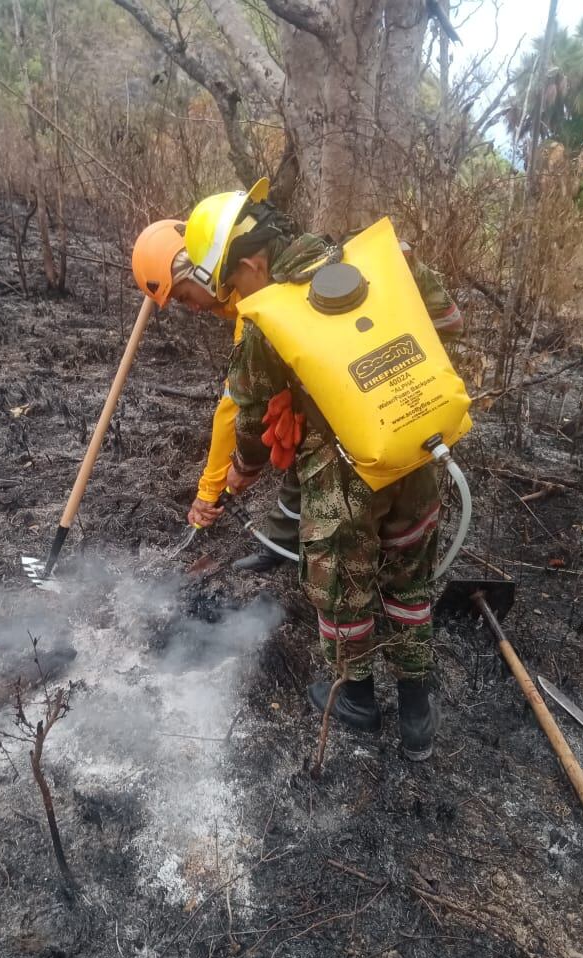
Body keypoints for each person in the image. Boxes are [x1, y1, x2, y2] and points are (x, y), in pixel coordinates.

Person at [183, 182, 464, 761]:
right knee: (410, 579)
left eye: (233, 284)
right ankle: (417, 716)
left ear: (254, 262)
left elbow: (252, 417)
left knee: (342, 586)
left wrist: (241, 469)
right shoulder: (385, 260)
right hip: (420, 449)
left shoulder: (269, 317)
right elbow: (448, 320)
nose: (236, 300)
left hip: (344, 483)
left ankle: (357, 699)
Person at [131, 215, 299, 570]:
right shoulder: (254, 281)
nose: (191, 306)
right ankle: (281, 547)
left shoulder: (254, 310)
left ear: (204, 271)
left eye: (184, 294)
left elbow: (234, 408)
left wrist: (211, 490)